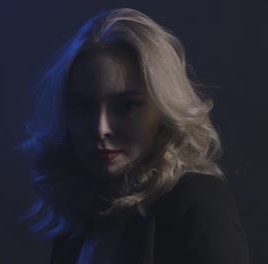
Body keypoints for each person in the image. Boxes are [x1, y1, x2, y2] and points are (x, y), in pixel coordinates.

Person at [18, 8, 250, 264]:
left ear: (163, 111)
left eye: (126, 106)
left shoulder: (195, 200)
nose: (100, 128)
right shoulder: (78, 218)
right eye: (83, 107)